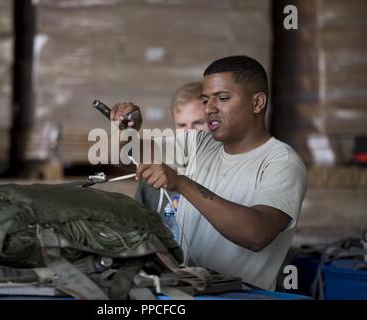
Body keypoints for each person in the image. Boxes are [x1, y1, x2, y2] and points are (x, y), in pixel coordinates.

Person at [109, 55, 307, 290]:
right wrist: (125, 130)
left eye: (222, 98)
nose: (210, 108)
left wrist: (181, 183)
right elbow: (124, 157)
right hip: (186, 292)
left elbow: (256, 234)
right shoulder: (198, 144)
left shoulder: (281, 162)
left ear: (257, 103)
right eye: (205, 100)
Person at [134, 82, 209, 212]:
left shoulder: (232, 169)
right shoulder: (157, 171)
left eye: (198, 123)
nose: (189, 132)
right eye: (182, 125)